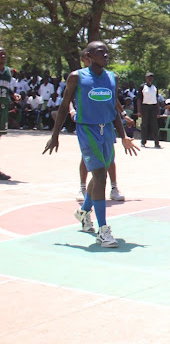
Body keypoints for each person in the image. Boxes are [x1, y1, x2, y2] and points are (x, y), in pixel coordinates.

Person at [43, 41, 139, 248]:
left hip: (107, 130)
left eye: (107, 51)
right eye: (100, 51)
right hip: (87, 129)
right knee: (99, 175)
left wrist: (123, 135)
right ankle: (103, 230)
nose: (105, 54)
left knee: (102, 171)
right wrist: (55, 134)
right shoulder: (77, 77)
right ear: (88, 55)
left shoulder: (113, 77)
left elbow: (113, 108)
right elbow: (63, 105)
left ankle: (84, 212)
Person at [0, 47, 16, 180]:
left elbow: (6, 87)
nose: (3, 56)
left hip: (3, 107)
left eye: (4, 54)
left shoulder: (7, 72)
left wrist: (13, 94)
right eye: (1, 54)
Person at [137, 72, 161, 148]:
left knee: (154, 125)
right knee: (144, 124)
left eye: (151, 77)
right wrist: (139, 111)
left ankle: (156, 142)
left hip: (153, 107)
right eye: (148, 77)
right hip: (145, 107)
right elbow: (139, 99)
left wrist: (158, 110)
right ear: (146, 78)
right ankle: (143, 141)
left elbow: (156, 99)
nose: (150, 79)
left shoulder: (155, 87)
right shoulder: (142, 87)